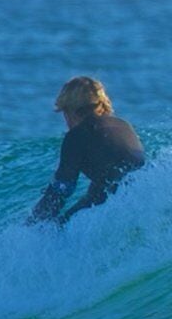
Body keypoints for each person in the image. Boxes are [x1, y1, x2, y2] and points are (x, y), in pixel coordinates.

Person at [31, 76, 147, 224]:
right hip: (144, 196)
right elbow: (111, 176)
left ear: (69, 111)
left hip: (120, 203)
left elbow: (61, 190)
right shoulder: (124, 125)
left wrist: (31, 228)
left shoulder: (77, 136)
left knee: (60, 226)